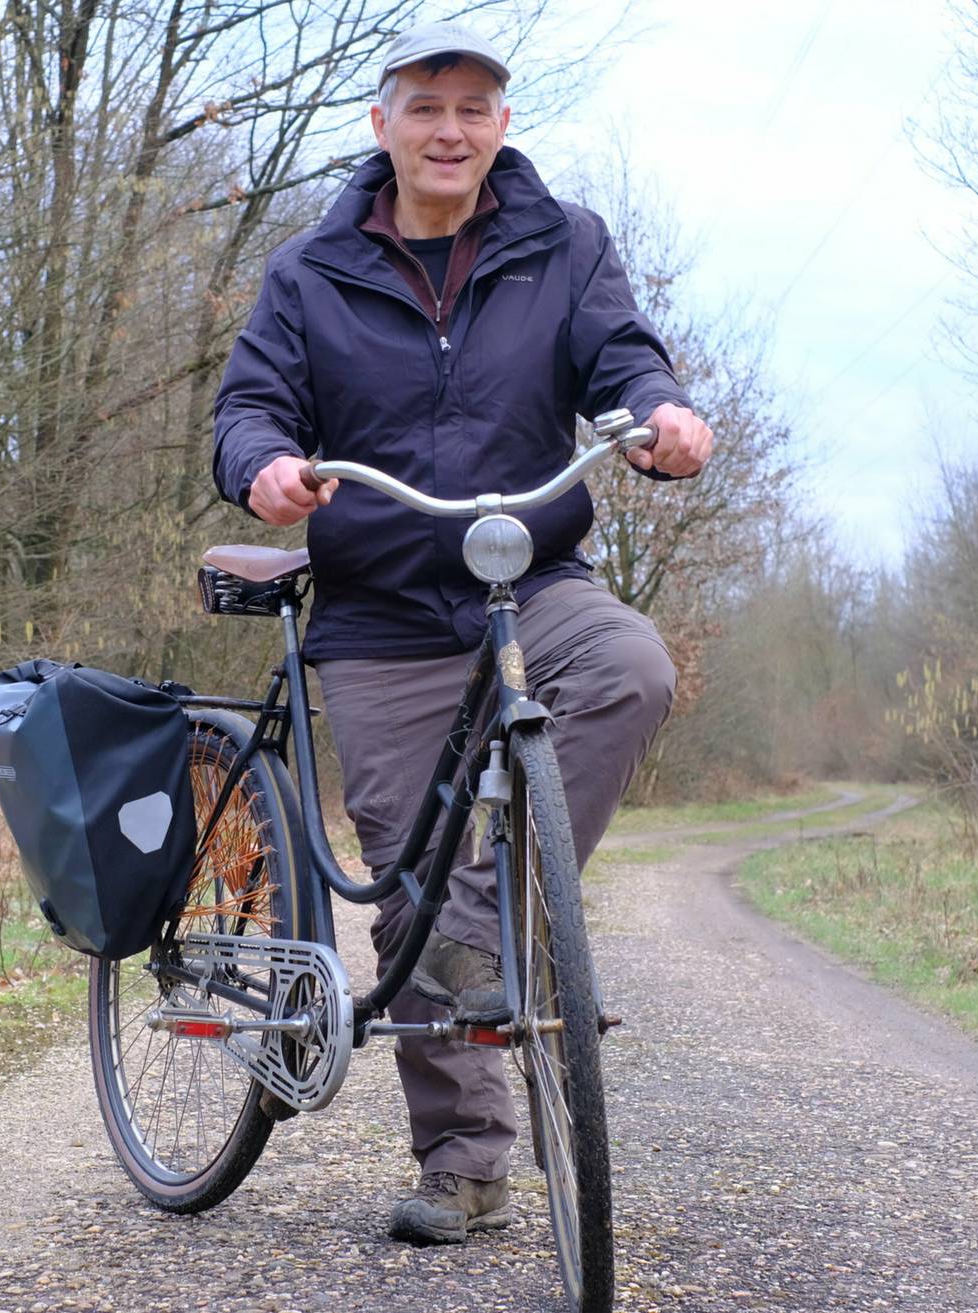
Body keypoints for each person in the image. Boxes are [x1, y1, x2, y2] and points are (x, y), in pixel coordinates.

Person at [210, 20, 714, 1247]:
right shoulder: (311, 271)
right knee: (411, 896)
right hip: (380, 612)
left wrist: (660, 412)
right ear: (382, 125)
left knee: (630, 667)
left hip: (527, 573)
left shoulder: (564, 244)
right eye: (427, 108)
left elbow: (624, 355)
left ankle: (508, 919)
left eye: (474, 110)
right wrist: (266, 466)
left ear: (501, 127)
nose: (451, 130)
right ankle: (467, 1165)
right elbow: (251, 403)